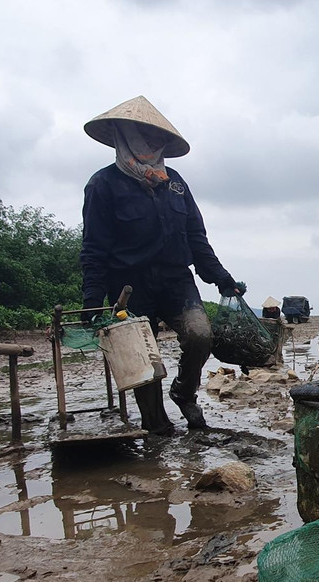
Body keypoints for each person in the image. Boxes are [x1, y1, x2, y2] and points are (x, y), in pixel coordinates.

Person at [80, 96, 244, 434]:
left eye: (157, 137)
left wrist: (221, 278)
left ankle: (184, 392)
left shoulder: (177, 185)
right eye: (142, 135)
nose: (152, 143)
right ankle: (157, 428)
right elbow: (94, 249)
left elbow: (197, 238)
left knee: (200, 335)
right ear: (123, 137)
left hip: (176, 282)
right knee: (144, 360)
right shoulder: (103, 185)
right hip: (129, 287)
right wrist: (92, 300)